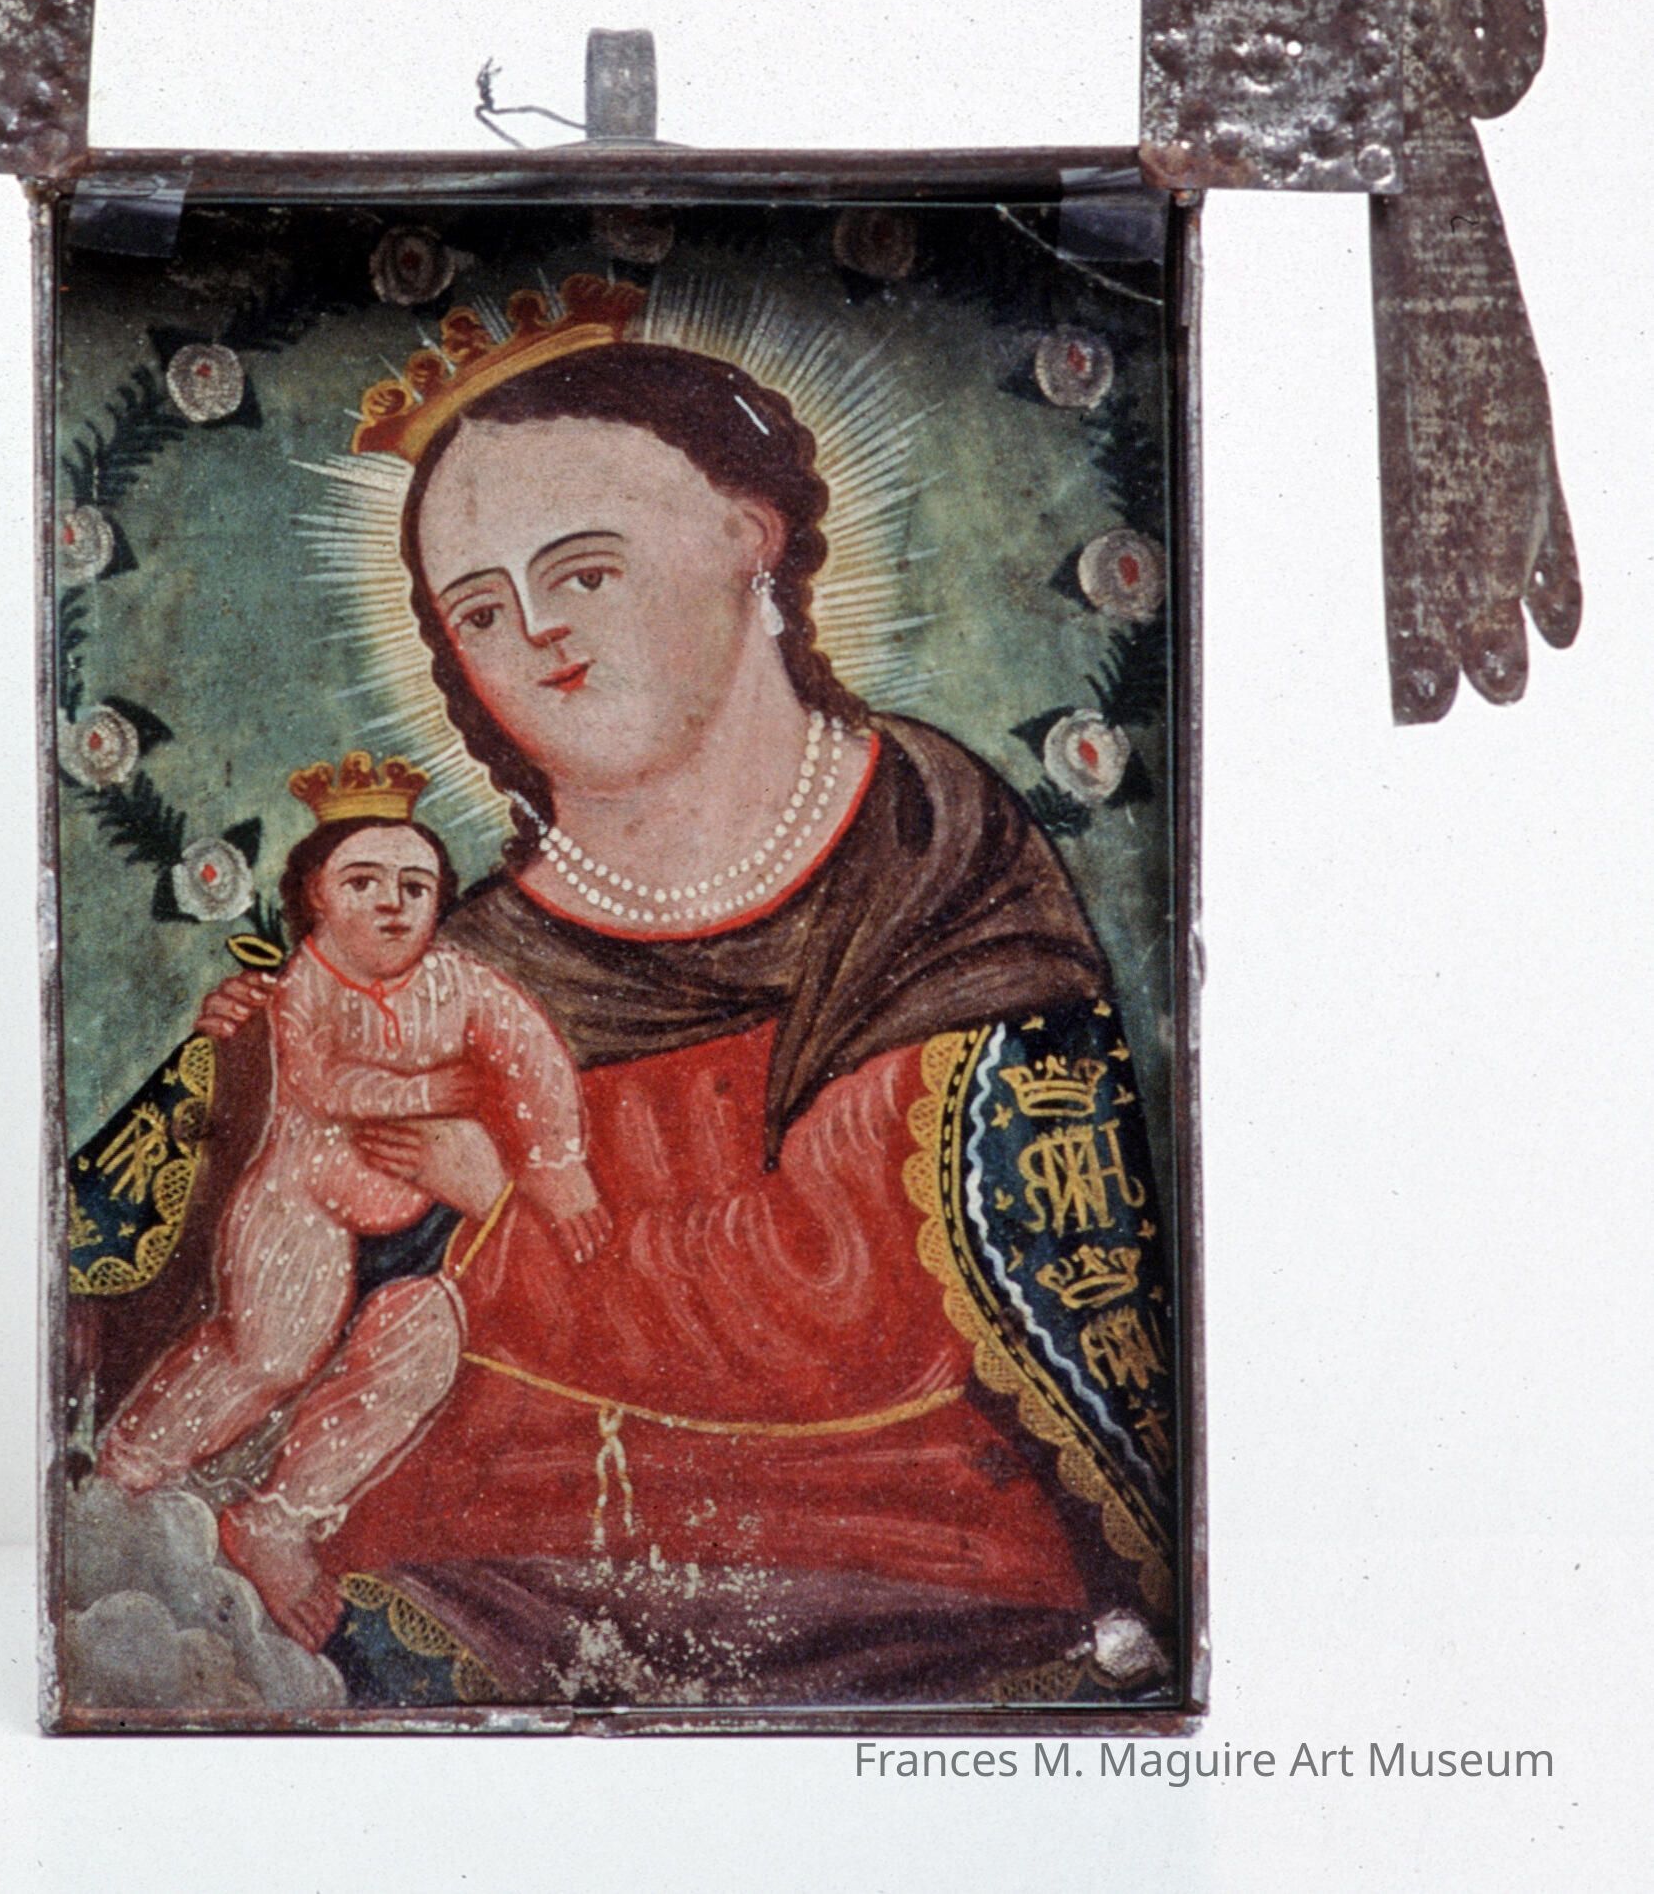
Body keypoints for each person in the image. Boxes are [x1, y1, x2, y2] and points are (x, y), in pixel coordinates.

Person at [188, 278, 1157, 1703]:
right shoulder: (452, 954)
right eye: (478, 609)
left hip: (887, 1583)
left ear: (746, 536)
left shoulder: (931, 861)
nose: (535, 635)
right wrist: (249, 1083)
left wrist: (495, 1205)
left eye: (583, 570)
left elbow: (843, 1299)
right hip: (432, 1579)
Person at [97, 750, 605, 1649]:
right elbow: (327, 1086)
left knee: (422, 1348)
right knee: (271, 1348)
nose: (392, 904)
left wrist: (558, 1166)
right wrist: (438, 1090)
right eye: (362, 882)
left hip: (422, 1222)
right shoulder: (304, 984)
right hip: (303, 1209)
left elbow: (532, 1059)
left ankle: (278, 1519)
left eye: (415, 885)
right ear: (316, 898)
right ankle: (126, 1476)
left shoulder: (461, 984)